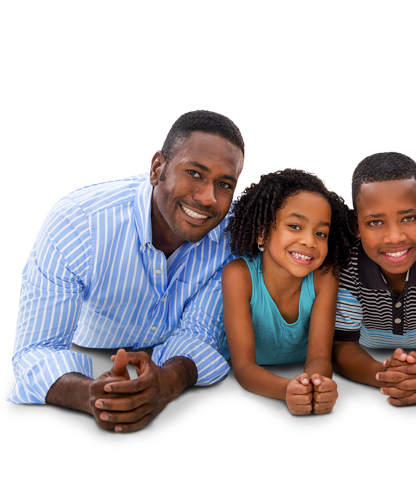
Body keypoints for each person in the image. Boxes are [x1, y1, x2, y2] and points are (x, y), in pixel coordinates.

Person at [9, 109, 245, 432]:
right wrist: (90, 395)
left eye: (224, 184)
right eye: (194, 173)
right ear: (157, 167)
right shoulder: (78, 224)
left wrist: (170, 382)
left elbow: (201, 333)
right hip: (90, 352)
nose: (208, 198)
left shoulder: (237, 232)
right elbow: (36, 349)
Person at [332, 152, 416, 407]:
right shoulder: (346, 263)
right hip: (363, 355)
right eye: (375, 222)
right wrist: (386, 378)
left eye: (408, 218)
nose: (394, 237)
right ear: (356, 223)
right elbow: (340, 346)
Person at [221, 168, 356, 415]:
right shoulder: (239, 276)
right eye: (295, 226)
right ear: (263, 232)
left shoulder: (324, 278)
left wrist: (317, 385)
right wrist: (289, 390)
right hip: (248, 387)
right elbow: (244, 369)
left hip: (298, 378)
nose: (309, 241)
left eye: (320, 233)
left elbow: (318, 357)